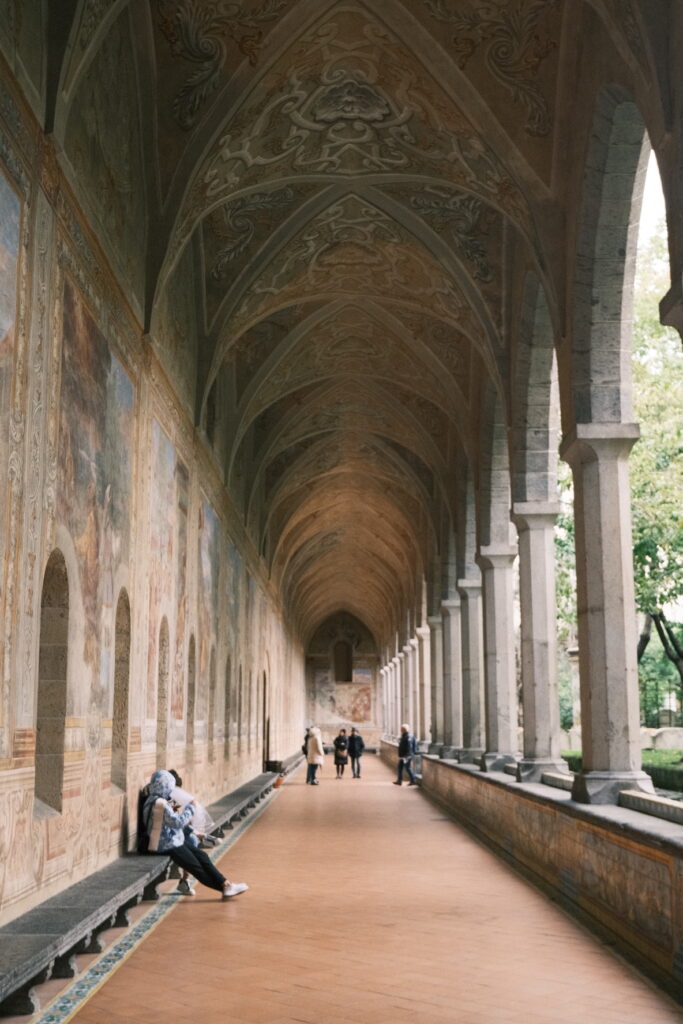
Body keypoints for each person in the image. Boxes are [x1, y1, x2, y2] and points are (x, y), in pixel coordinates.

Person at [143, 770, 248, 899]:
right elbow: (178, 823)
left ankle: (226, 884)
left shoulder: (156, 799)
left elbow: (171, 820)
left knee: (202, 856)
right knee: (196, 867)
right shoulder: (160, 804)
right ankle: (224, 887)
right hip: (166, 845)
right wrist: (190, 808)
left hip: (172, 840)